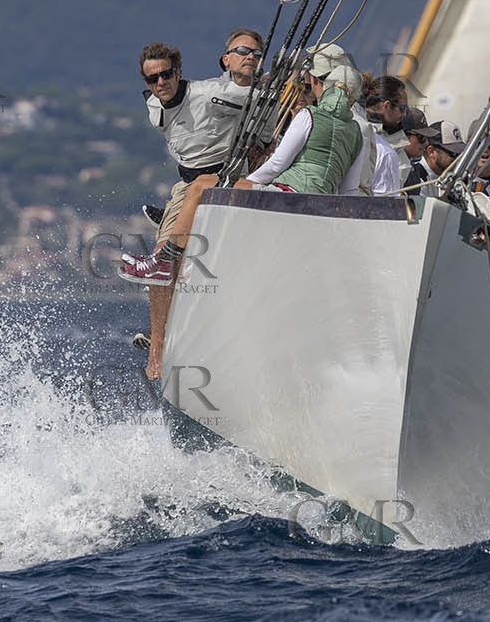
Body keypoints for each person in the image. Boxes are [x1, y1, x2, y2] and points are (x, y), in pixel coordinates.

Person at [120, 29, 264, 376]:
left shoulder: (212, 94)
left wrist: (253, 71)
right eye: (152, 78)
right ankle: (157, 345)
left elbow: (253, 96)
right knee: (159, 266)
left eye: (166, 74)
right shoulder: (154, 105)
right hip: (186, 184)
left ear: (178, 71)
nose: (160, 83)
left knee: (170, 253)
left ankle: (171, 268)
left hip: (223, 174)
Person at [237, 48, 365, 194]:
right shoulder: (358, 133)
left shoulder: (309, 115)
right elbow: (350, 188)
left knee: (205, 183)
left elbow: (277, 165)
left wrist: (248, 182)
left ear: (324, 87)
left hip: (289, 193)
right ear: (354, 101)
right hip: (321, 204)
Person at [359, 79, 406, 195]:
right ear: (386, 106)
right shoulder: (385, 151)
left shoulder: (353, 125)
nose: (404, 114)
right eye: (402, 108)